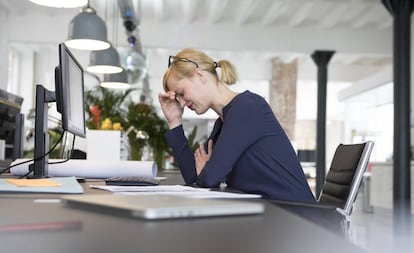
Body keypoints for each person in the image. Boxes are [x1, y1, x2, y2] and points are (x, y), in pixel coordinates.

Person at [158, 48, 315, 202]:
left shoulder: (247, 108)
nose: (182, 103)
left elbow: (209, 178)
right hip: (269, 213)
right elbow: (194, 177)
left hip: (297, 217)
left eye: (181, 93)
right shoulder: (224, 121)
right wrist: (174, 121)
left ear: (199, 75)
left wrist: (207, 172)